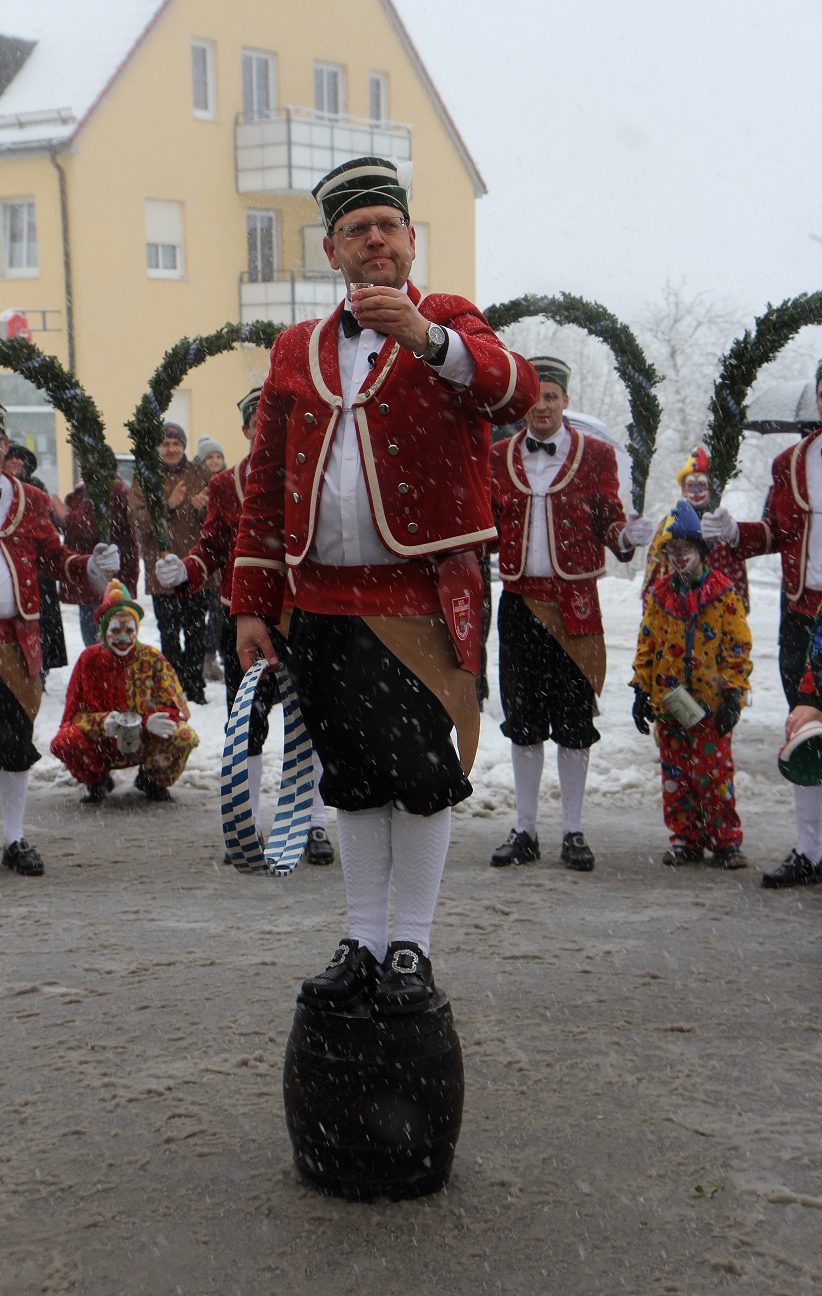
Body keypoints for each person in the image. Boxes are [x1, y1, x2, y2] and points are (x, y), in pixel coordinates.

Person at [230, 154, 539, 1014]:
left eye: (387, 227)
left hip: (420, 597)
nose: (375, 240)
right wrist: (253, 605)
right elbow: (265, 489)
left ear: (410, 240)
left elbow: (514, 393)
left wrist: (426, 340)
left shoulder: (448, 320)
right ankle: (365, 937)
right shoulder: (295, 348)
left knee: (421, 771)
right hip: (322, 599)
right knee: (354, 777)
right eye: (356, 230)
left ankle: (415, 946)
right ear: (333, 249)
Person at [155, 389, 336, 867]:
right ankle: (249, 823)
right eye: (259, 422)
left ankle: (314, 822)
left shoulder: (318, 475)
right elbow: (213, 544)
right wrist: (187, 570)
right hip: (246, 621)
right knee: (248, 726)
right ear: (247, 430)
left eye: (277, 421)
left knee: (313, 725)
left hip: (309, 617)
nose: (267, 430)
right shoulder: (224, 486)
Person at [489, 355, 654, 872]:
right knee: (523, 722)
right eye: (535, 397)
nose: (543, 407)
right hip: (518, 602)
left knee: (575, 723)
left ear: (565, 400)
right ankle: (526, 829)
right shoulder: (497, 456)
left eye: (553, 396)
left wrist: (626, 537)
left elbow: (610, 518)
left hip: (575, 603)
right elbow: (482, 520)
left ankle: (574, 831)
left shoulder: (598, 455)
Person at [0, 399, 119, 880]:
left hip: (17, 641)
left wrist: (87, 567)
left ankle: (13, 836)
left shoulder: (31, 499)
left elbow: (54, 556)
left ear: (5, 446)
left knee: (14, 741)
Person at [701, 359, 822, 887]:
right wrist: (734, 532)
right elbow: (776, 534)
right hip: (802, 609)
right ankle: (810, 851)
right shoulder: (791, 462)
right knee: (804, 729)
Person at [631, 500, 752, 867]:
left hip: (711, 703)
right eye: (672, 549)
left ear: (701, 550)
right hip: (671, 703)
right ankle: (686, 838)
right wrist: (640, 688)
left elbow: (738, 645)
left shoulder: (723, 592)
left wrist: (733, 691)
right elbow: (647, 643)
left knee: (713, 775)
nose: (679, 556)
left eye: (686, 548)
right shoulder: (660, 594)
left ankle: (725, 841)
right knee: (676, 775)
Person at [50, 580, 198, 804]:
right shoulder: (88, 660)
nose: (123, 637)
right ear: (103, 632)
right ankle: (96, 780)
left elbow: (175, 705)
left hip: (146, 740)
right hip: (103, 741)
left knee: (184, 735)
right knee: (64, 741)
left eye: (129, 630)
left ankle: (152, 780)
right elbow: (73, 716)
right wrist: (103, 722)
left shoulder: (152, 658)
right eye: (116, 630)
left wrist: (149, 722)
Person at [128, 421, 211, 704]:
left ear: (184, 446)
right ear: (158, 448)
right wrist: (169, 506)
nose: (172, 449)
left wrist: (204, 509)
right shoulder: (146, 476)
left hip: (195, 569)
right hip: (162, 572)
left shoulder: (200, 473)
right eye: (166, 444)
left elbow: (216, 519)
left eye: (176, 444)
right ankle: (171, 686)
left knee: (196, 632)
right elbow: (138, 519)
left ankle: (194, 685)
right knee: (169, 635)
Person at [642, 445, 750, 609]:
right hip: (676, 607)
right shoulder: (669, 523)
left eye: (702, 484)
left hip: (718, 607)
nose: (696, 490)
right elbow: (656, 566)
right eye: (691, 485)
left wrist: (736, 607)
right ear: (683, 489)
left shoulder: (723, 524)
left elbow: (736, 569)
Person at [52, 445, 139, 647]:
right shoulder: (86, 490)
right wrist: (55, 516)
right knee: (91, 634)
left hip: (108, 578)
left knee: (105, 634)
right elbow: (73, 530)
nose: (85, 468)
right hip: (88, 574)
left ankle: (101, 675)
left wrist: (65, 515)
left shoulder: (116, 490)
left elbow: (94, 527)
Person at [2, 442, 68, 678]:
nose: (14, 462)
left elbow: (51, 526)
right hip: (8, 567)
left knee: (41, 623)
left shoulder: (36, 488)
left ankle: (41, 668)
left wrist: (62, 518)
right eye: (10, 458)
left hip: (38, 569)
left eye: (19, 459)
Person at [193, 436, 227, 684]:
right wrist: (198, 507)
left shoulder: (229, 482)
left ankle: (211, 657)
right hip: (201, 559)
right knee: (199, 613)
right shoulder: (195, 484)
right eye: (210, 457)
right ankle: (202, 661)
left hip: (222, 563)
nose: (215, 461)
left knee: (218, 613)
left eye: (218, 456)